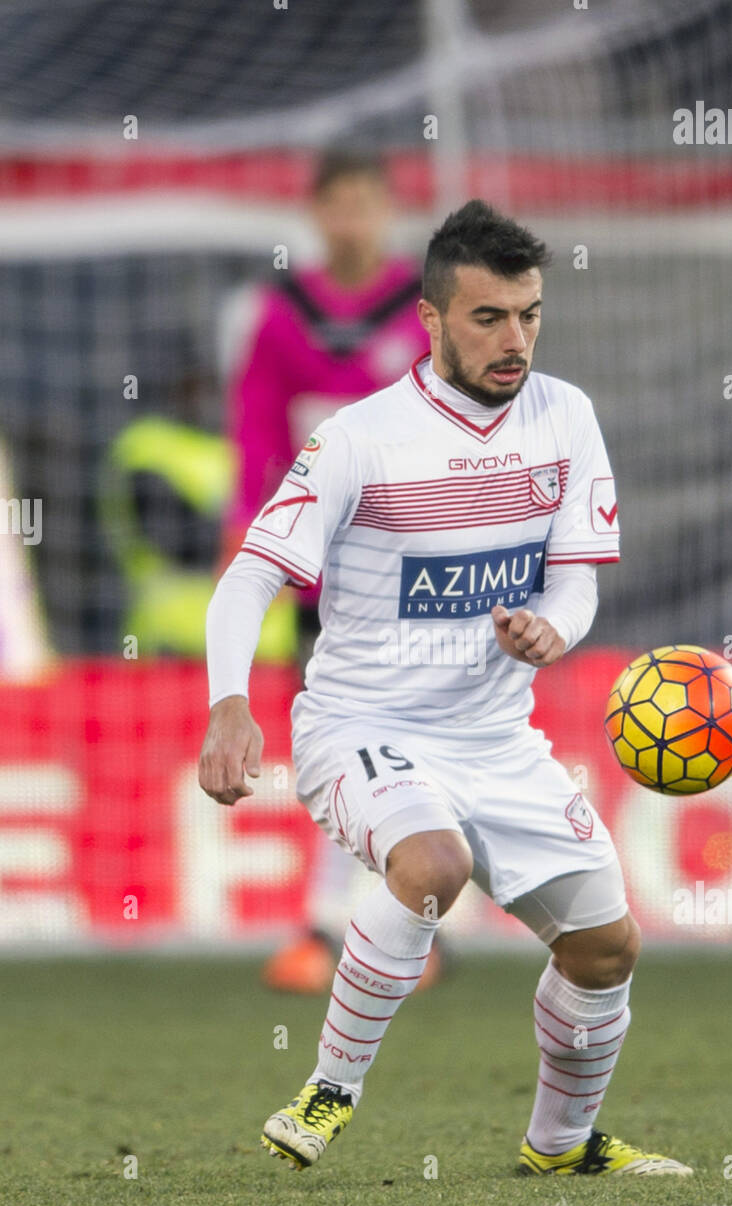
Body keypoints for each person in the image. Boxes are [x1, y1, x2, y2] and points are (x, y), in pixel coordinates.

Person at [200, 200, 692, 1178]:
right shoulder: (358, 439)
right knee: (431, 863)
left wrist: (556, 624)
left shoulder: (566, 417)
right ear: (428, 320)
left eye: (529, 314)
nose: (514, 340)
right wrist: (228, 702)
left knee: (607, 947)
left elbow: (577, 574)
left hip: (498, 741)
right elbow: (253, 573)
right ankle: (329, 1087)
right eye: (488, 318)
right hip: (362, 725)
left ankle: (558, 1145)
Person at [223, 147, 431, 993]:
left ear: (386, 211)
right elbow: (256, 431)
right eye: (336, 205)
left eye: (364, 204)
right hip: (321, 564)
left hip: (411, 559)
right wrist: (246, 531)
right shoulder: (280, 314)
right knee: (334, 734)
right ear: (314, 214)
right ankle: (334, 922)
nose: (350, 220)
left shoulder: (424, 312)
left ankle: (396, 923)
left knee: (410, 736)